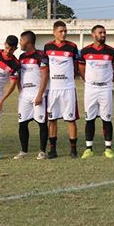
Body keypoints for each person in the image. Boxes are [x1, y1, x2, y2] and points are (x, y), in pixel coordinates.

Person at [79, 25, 114, 159]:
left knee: (106, 118)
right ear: (93, 34)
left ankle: (108, 148)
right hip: (91, 89)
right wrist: (90, 81)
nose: (103, 35)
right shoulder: (85, 51)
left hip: (106, 89)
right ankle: (88, 148)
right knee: (89, 118)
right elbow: (81, 69)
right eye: (100, 32)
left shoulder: (111, 51)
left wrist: (107, 81)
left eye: (104, 32)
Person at [6, 31, 49, 159]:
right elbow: (19, 75)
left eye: (21, 41)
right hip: (25, 95)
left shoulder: (41, 56)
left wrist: (40, 94)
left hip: (38, 94)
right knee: (22, 122)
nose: (20, 43)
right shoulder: (21, 57)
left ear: (27, 41)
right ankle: (23, 151)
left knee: (41, 122)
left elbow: (45, 76)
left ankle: (42, 151)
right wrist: (20, 90)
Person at [43, 21, 82, 159]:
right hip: (53, 89)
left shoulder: (72, 47)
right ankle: (53, 150)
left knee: (71, 119)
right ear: (54, 32)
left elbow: (76, 67)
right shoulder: (47, 47)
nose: (63, 33)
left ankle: (73, 149)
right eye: (61, 31)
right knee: (52, 120)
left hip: (68, 88)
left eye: (65, 31)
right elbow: (45, 68)